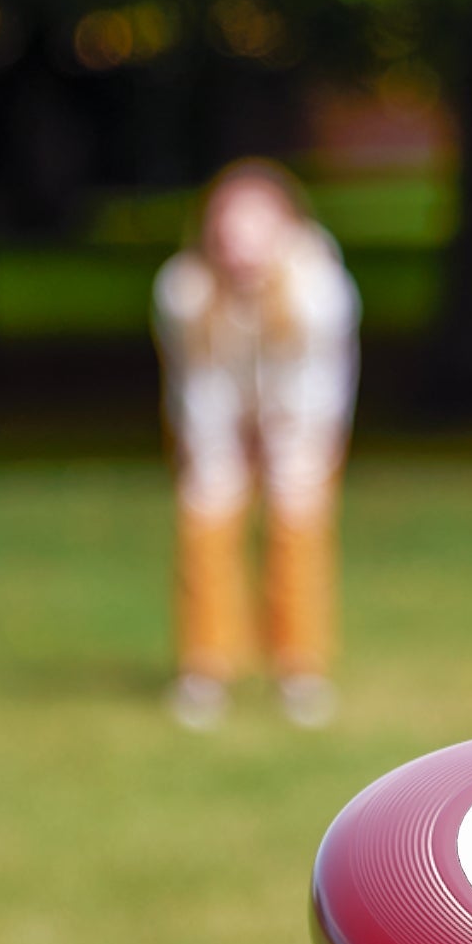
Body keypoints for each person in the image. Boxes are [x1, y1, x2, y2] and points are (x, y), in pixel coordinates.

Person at [153, 159, 360, 730]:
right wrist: (218, 453)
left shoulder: (319, 288)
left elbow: (317, 385)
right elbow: (198, 384)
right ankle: (206, 668)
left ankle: (300, 669)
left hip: (301, 420)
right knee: (206, 520)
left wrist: (286, 446)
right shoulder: (184, 290)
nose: (240, 243)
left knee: (298, 527)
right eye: (229, 226)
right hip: (215, 418)